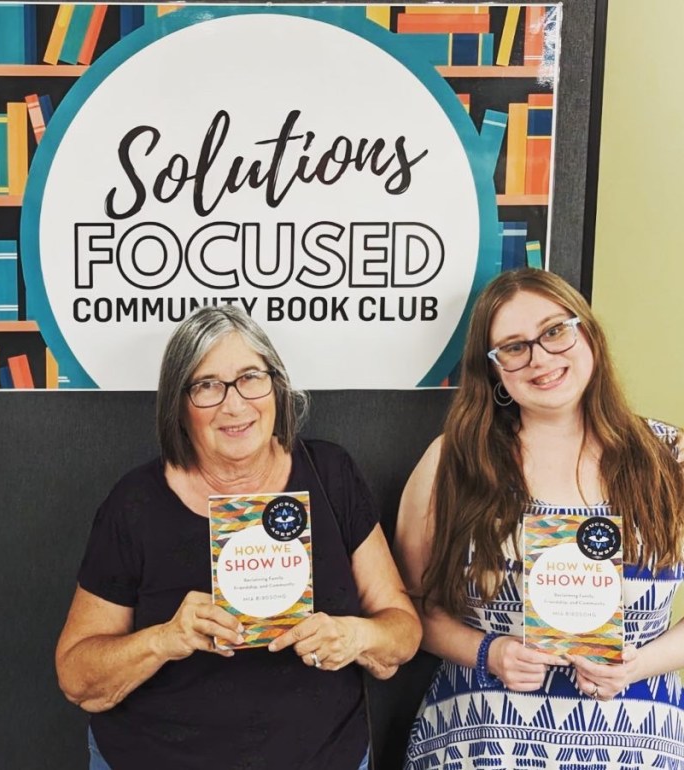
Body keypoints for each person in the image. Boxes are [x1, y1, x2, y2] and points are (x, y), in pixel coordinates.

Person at [55, 305, 421, 769]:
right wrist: (165, 639)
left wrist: (354, 635)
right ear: (178, 406)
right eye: (207, 385)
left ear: (277, 386)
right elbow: (77, 677)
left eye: (250, 377)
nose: (234, 404)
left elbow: (403, 632)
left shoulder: (330, 475)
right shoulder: (136, 503)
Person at [395, 268, 684, 769]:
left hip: (638, 743)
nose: (540, 357)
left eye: (554, 331)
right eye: (514, 347)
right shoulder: (453, 461)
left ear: (587, 332)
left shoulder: (669, 456)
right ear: (493, 370)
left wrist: (639, 665)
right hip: (481, 742)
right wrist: (488, 653)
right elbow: (405, 607)